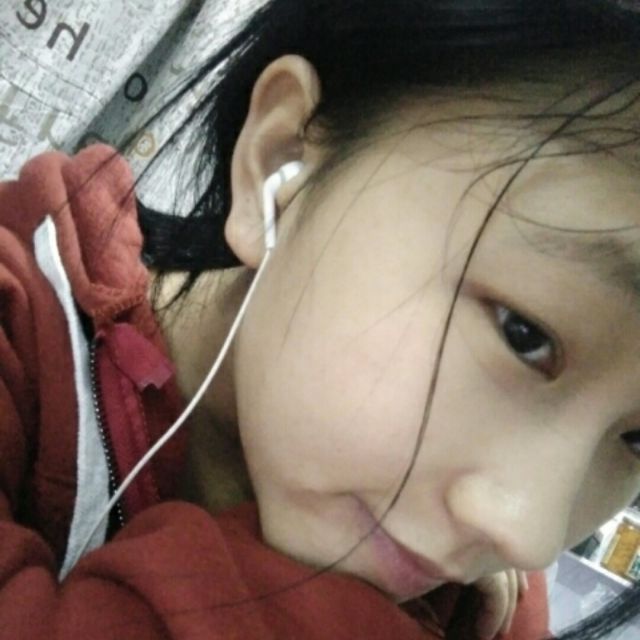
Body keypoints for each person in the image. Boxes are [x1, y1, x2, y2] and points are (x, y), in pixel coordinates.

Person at [1, 0, 640, 638]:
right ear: (279, 160)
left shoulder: (487, 608)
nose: (529, 535)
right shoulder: (23, 332)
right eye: (524, 334)